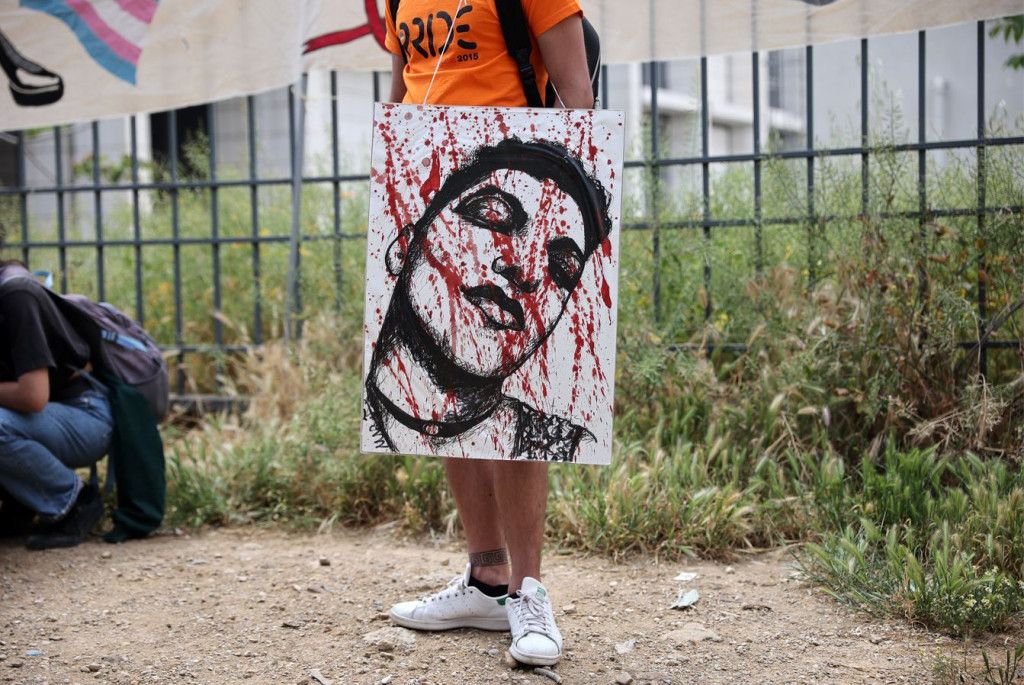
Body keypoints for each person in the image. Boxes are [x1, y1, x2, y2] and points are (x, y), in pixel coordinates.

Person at [381, 0, 596, 667]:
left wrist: (550, 219)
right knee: (447, 386)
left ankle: (529, 591)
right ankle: (487, 581)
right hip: (433, 182)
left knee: (513, 392)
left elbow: (578, 97)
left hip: (513, 177)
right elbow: (402, 95)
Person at [364, 138, 610, 463]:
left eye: (562, 268)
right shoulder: (352, 421)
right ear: (404, 248)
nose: (527, 272)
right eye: (493, 217)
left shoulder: (573, 447)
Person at [0, 261, 111, 549]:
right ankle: (20, 504)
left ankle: (73, 501)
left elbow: (33, 396)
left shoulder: (16, 295)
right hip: (44, 419)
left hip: (86, 415)